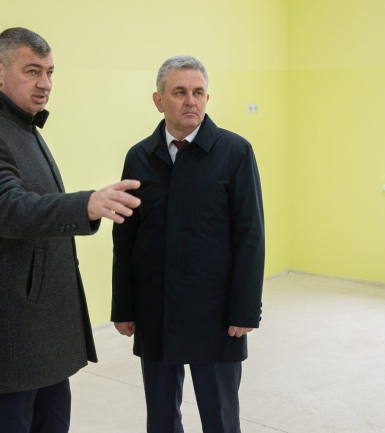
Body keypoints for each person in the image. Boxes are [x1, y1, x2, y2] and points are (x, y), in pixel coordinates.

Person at [0, 27, 140, 433]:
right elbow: (5, 209)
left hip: (40, 328)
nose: (45, 83)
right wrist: (85, 204)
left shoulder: (20, 125)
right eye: (32, 71)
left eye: (49, 72)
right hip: (9, 332)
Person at [112, 55, 265, 433]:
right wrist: (123, 305)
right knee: (161, 419)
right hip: (156, 309)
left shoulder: (235, 152)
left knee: (221, 419)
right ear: (158, 100)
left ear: (207, 98)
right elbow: (125, 237)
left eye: (198, 92)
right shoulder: (139, 157)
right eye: (179, 92)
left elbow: (250, 235)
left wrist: (245, 309)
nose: (190, 101)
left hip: (216, 312)